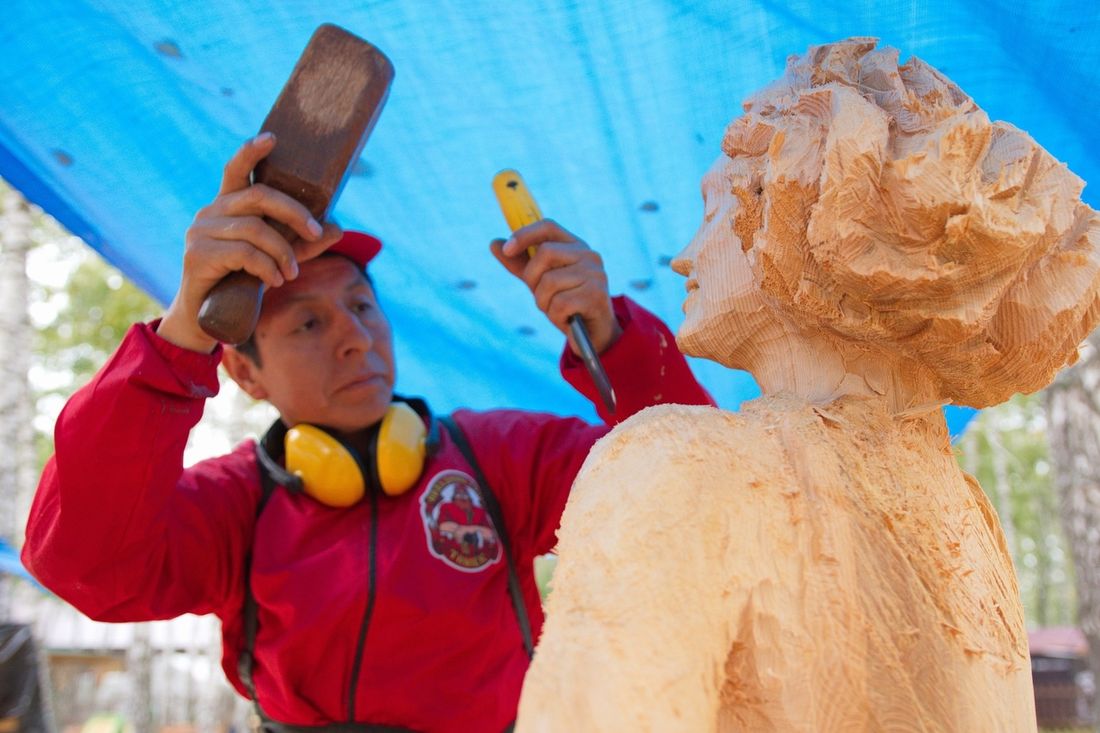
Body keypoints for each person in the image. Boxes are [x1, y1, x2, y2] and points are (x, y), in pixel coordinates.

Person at [21, 132, 714, 732]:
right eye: (308, 322)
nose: (356, 338)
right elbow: (83, 564)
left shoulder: (501, 457)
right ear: (244, 372)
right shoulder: (234, 505)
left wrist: (611, 337)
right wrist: (181, 334)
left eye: (361, 304)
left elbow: (696, 483)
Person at [514, 37, 1100, 732]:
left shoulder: (677, 462)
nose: (681, 259)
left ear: (795, 210)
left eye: (711, 211)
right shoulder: (970, 518)